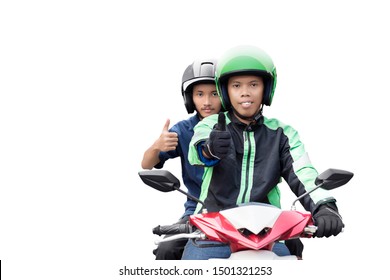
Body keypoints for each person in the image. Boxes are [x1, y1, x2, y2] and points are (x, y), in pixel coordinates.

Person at [182, 45, 344, 260]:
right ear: (225, 90)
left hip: (265, 236)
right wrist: (209, 148)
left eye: (254, 84)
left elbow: (303, 172)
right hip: (212, 232)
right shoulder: (212, 125)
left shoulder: (283, 134)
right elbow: (197, 149)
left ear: (266, 89)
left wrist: (325, 206)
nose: (245, 92)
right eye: (236, 85)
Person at [141, 59, 222, 259]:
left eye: (214, 94)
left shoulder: (238, 125)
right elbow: (146, 164)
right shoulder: (184, 130)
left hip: (240, 211)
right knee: (167, 250)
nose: (207, 102)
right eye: (199, 94)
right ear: (189, 98)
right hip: (198, 211)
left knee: (291, 245)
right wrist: (156, 146)